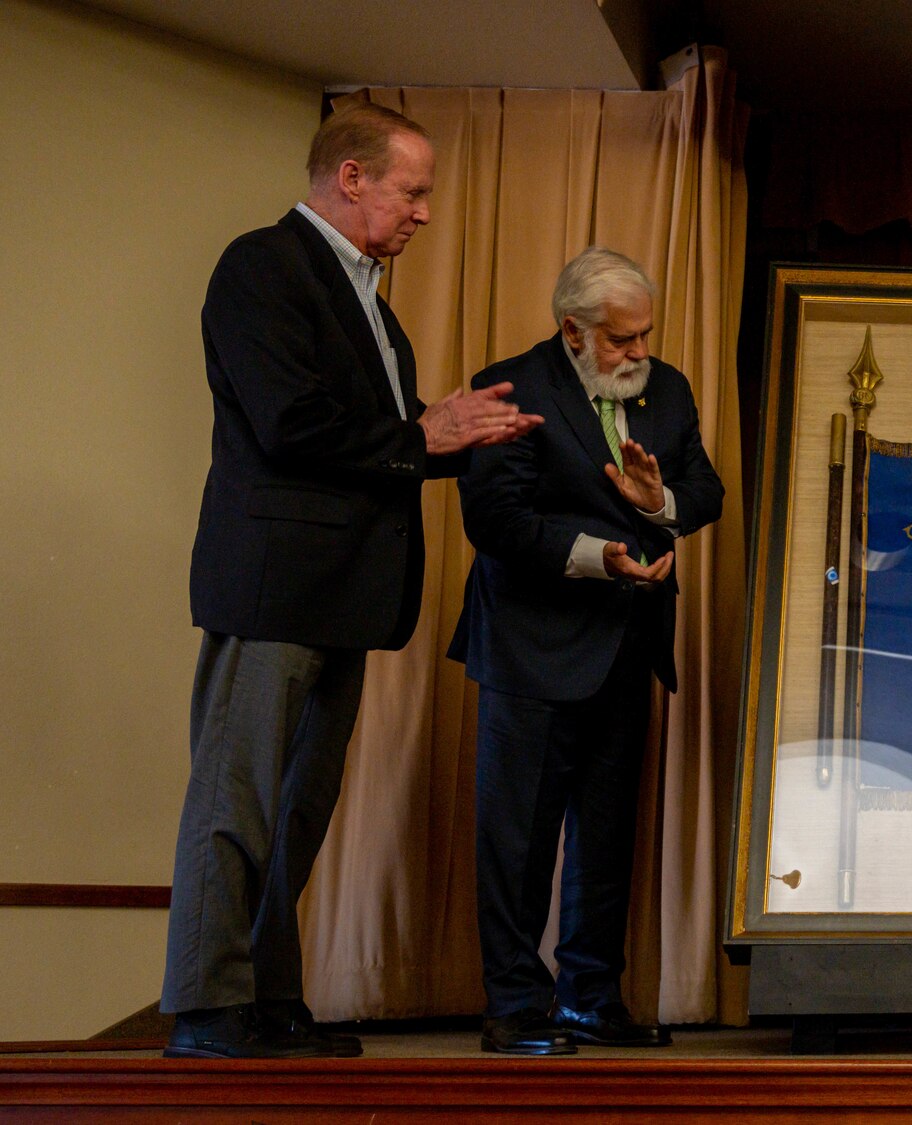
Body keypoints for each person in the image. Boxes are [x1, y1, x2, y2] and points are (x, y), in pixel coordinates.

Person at [165, 103, 541, 1059]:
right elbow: (292, 423)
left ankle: (272, 998)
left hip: (346, 590)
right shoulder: (262, 265)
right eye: (413, 192)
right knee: (237, 798)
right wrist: (424, 433)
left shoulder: (369, 297)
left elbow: (382, 444)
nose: (424, 212)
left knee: (298, 808)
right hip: (276, 581)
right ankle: (208, 1009)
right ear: (352, 178)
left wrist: (457, 435)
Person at [449, 247, 723, 1056]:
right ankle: (515, 1007)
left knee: (605, 839)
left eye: (646, 335)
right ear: (573, 330)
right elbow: (494, 519)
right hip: (531, 646)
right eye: (621, 340)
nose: (640, 353)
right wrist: (594, 553)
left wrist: (660, 501)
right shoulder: (510, 386)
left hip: (627, 644)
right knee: (519, 840)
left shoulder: (666, 388)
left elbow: (703, 490)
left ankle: (590, 999)